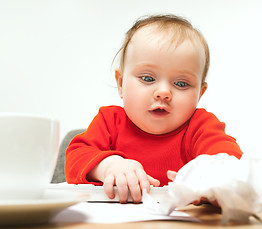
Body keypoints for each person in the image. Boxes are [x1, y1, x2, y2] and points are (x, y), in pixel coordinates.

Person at [65, 14, 243, 204]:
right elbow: (74, 160)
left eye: (181, 83)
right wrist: (109, 166)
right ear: (120, 83)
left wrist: (214, 177)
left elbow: (228, 159)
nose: (163, 92)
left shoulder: (201, 126)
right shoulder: (109, 121)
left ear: (200, 93)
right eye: (148, 79)